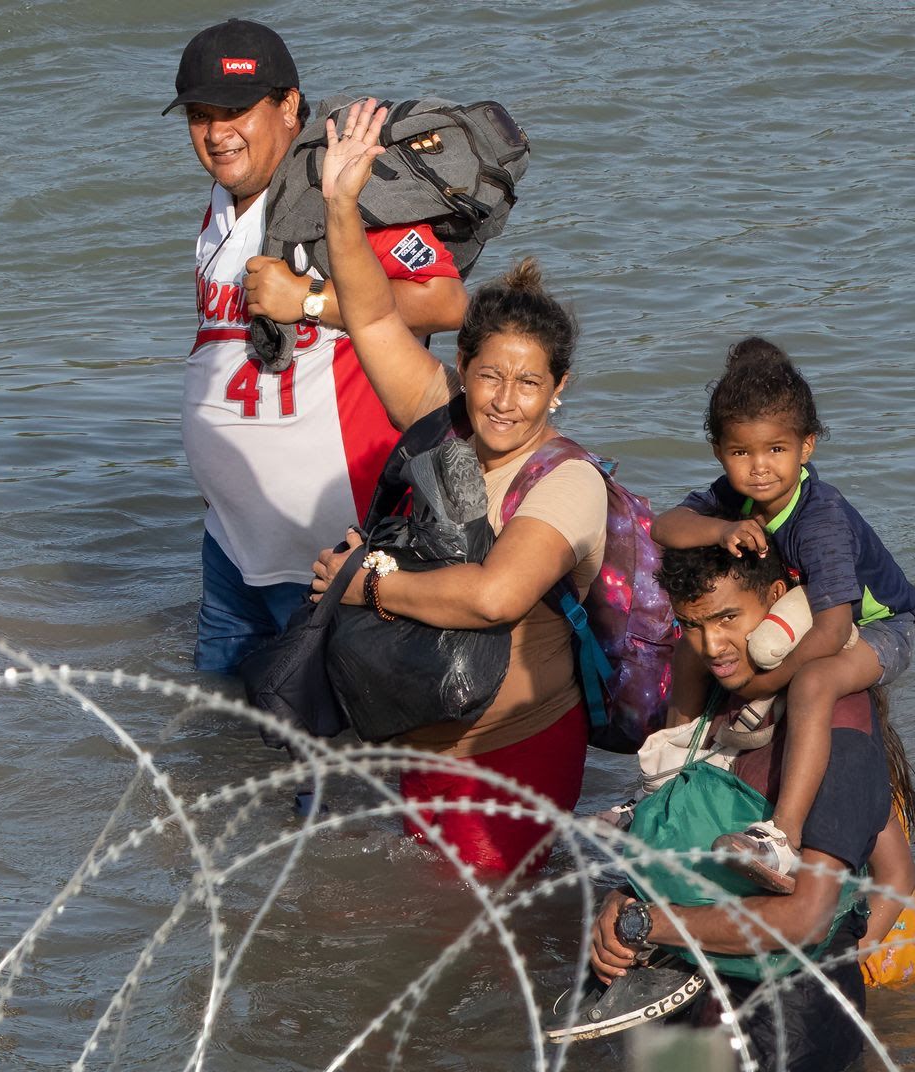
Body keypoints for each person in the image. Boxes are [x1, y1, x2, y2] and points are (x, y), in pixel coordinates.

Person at [308, 101, 601, 875]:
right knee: (434, 939)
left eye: (529, 383)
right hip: (425, 744)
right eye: (490, 376)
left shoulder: (567, 481)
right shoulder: (446, 421)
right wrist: (341, 203)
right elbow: (371, 321)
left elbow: (496, 598)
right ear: (463, 370)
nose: (506, 400)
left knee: (488, 938)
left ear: (558, 390)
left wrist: (365, 583)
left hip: (517, 751)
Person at [166, 19, 468, 676]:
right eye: (200, 114)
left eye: (236, 110)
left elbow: (443, 299)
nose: (217, 133)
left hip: (335, 555)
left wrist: (307, 301)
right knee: (221, 742)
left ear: (289, 106)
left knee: (334, 760)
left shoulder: (339, 195)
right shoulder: (223, 199)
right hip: (232, 551)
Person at [585, 545, 915, 1072]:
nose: (712, 645)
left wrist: (644, 922)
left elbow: (812, 915)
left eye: (727, 618)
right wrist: (623, 898)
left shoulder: (834, 729)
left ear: (777, 605)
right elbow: (668, 825)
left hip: (787, 1029)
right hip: (689, 995)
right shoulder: (721, 706)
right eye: (692, 625)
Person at [651, 338, 915, 892]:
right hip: (803, 606)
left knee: (816, 682)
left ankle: (783, 836)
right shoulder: (734, 499)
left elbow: (834, 627)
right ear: (718, 451)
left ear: (807, 446)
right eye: (740, 453)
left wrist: (762, 685)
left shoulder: (819, 521)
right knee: (689, 647)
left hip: (876, 626)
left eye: (775, 450)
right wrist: (720, 529)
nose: (757, 469)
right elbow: (664, 526)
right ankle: (665, 779)